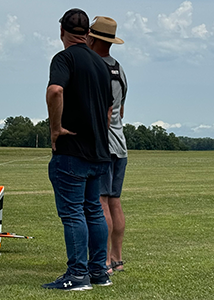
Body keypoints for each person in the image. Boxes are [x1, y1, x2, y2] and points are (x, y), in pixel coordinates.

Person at [43, 8, 114, 291]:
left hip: (72, 150)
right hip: (99, 150)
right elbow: (109, 111)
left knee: (73, 213)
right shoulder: (101, 65)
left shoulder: (64, 58)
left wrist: (55, 128)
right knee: (93, 210)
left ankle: (77, 275)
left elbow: (55, 91)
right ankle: (99, 272)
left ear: (62, 32)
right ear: (87, 34)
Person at [87, 16, 128, 275]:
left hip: (103, 146)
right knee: (115, 201)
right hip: (120, 144)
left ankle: (102, 262)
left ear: (93, 38)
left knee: (101, 202)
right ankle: (117, 258)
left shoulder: (94, 68)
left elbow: (104, 112)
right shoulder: (119, 69)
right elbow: (121, 111)